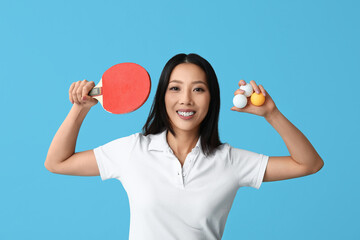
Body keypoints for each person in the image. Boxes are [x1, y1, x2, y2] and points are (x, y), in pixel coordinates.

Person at [45, 53, 324, 240]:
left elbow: (309, 163)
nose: (186, 99)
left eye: (198, 89)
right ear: (162, 96)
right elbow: (57, 162)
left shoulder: (230, 161)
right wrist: (79, 110)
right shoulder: (133, 151)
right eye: (175, 88)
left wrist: (271, 114)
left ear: (211, 98)